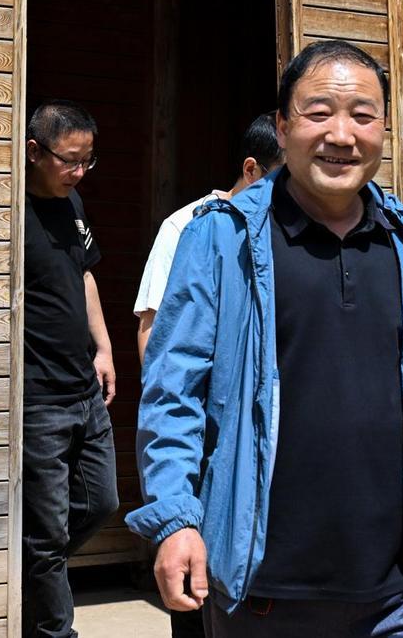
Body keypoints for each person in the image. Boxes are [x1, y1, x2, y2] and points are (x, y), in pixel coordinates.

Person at [128, 41, 403, 637]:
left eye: (362, 115)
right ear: (283, 127)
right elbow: (173, 392)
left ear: (384, 129)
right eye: (318, 113)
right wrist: (175, 520)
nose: (341, 134)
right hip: (267, 591)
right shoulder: (222, 239)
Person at [134, 113, 282, 638]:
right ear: (251, 169)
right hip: (204, 442)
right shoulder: (189, 227)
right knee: (196, 591)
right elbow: (154, 337)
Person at [21, 99, 120, 638]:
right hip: (39, 399)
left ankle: (35, 569)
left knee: (101, 502)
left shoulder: (72, 201)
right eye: (69, 161)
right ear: (34, 152)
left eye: (88, 161)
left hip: (83, 387)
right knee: (46, 537)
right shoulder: (12, 208)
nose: (80, 172)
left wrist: (103, 349)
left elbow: (85, 276)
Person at [134, 113, 283, 363]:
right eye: (283, 180)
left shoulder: (290, 232)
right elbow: (153, 326)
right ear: (251, 170)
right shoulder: (184, 225)